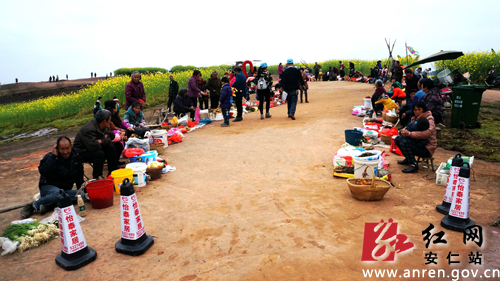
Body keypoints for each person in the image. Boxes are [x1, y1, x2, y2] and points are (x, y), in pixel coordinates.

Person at [20, 137, 84, 218]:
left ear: (71, 146)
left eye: (67, 148)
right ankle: (33, 206)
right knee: (58, 194)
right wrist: (53, 158)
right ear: (57, 148)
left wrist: (81, 191)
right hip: (48, 188)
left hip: (64, 191)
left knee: (80, 195)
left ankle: (49, 205)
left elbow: (79, 177)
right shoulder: (50, 157)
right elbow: (43, 172)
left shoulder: (76, 157)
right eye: (62, 149)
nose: (65, 152)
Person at [73, 109, 118, 180]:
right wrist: (104, 140)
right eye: (109, 120)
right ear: (104, 121)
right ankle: (96, 177)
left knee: (111, 147)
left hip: (91, 148)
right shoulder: (89, 129)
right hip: (81, 152)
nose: (110, 122)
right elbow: (94, 147)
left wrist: (101, 141)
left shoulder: (101, 126)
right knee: (100, 153)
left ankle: (112, 172)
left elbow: (112, 136)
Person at [395, 101, 436, 173]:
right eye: (415, 110)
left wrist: (410, 134)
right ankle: (408, 158)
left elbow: (428, 133)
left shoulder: (429, 119)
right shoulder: (414, 119)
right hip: (418, 143)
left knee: (405, 142)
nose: (417, 112)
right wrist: (402, 131)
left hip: (426, 148)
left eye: (419, 109)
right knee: (398, 139)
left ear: (423, 109)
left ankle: (413, 164)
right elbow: (408, 127)